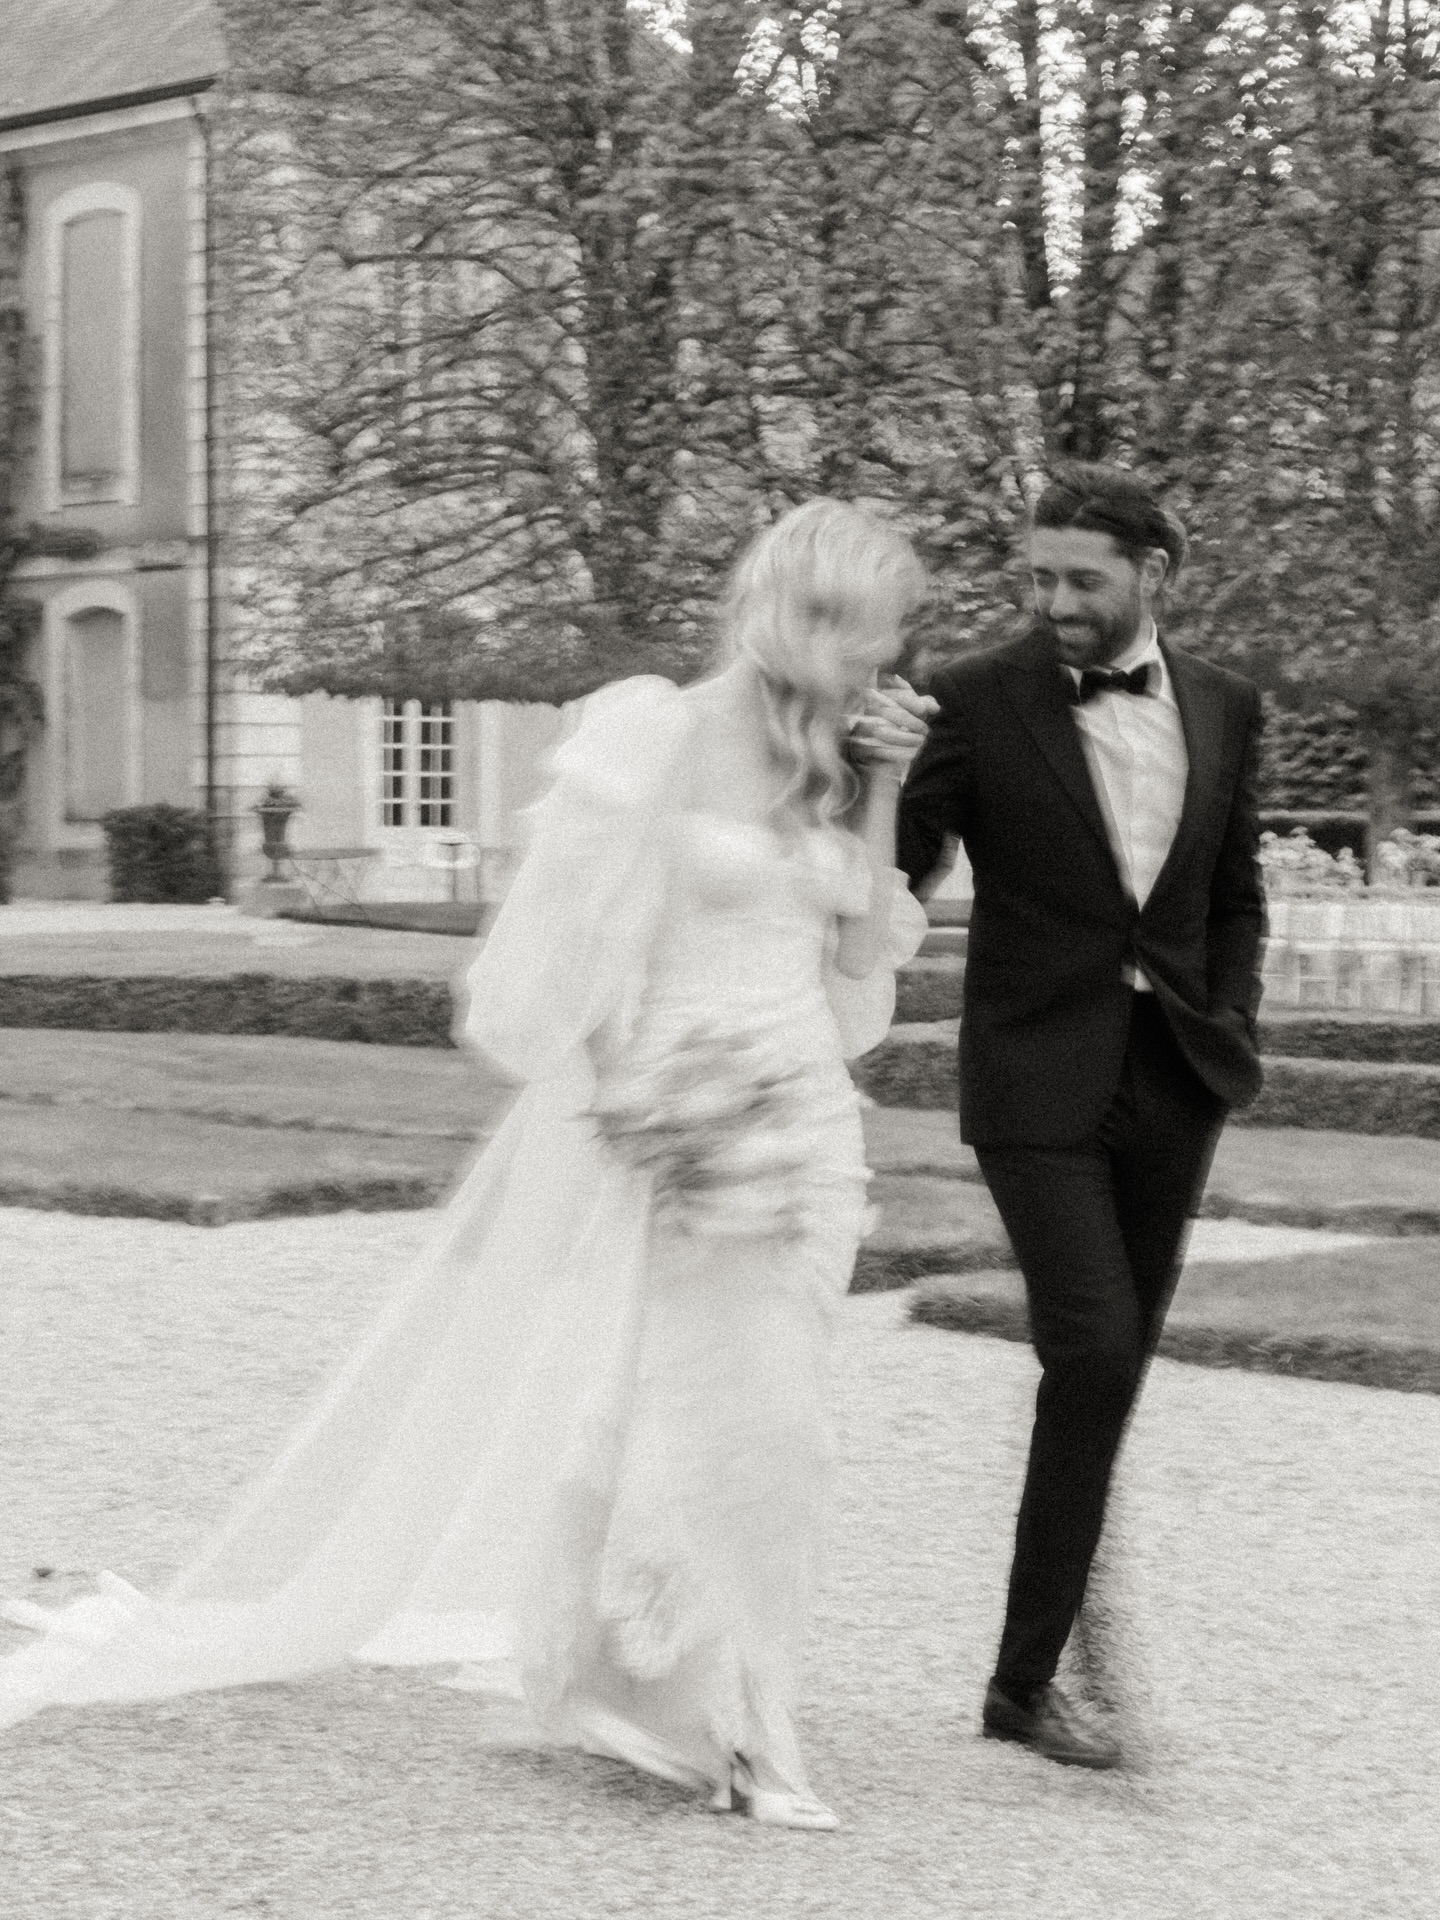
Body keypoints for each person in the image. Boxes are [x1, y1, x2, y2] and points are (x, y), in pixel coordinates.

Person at [0, 499, 932, 1831]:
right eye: (876, 637)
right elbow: (570, 945)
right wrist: (639, 1092)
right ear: (812, 616)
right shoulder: (654, 731)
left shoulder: (823, 753)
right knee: (723, 1419)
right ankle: (744, 1730)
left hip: (810, 1130)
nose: (887, 670)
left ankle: (665, 1686)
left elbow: (855, 956)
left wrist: (885, 779)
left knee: (776, 1423)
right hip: (691, 1121)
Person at [897, 463, 1266, 1770]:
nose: (1053, 599)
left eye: (1082, 581)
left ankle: (1030, 1682)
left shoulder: (1226, 706)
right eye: (1039, 577)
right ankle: (1042, 1668)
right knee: (1096, 1351)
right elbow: (897, 864)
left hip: (1177, 1079)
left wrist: (1233, 1021)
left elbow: (1233, 892)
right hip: (1033, 1078)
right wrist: (857, 780)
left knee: (1101, 1375)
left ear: (1153, 575)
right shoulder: (973, 697)